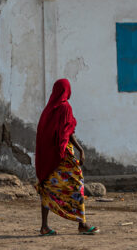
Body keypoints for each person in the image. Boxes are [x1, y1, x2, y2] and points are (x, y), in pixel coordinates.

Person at [35, 78, 97, 236]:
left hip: (48, 157)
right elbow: (67, 133)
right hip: (62, 155)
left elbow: (43, 134)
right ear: (66, 90)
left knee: (47, 187)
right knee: (77, 183)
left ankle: (44, 226)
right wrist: (81, 150)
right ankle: (82, 224)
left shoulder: (48, 109)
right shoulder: (64, 108)